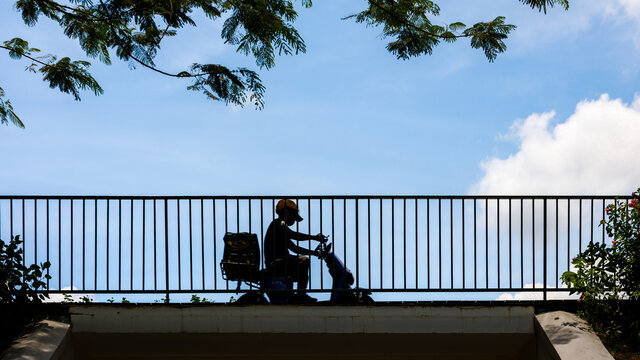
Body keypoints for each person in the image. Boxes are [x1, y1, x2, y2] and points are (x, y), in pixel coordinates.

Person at [264, 199, 327, 302]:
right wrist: (314, 237)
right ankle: (301, 295)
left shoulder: (281, 229)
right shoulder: (279, 223)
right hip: (275, 263)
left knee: (302, 261)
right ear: (286, 212)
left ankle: (296, 295)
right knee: (304, 260)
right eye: (293, 216)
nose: (294, 220)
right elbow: (294, 235)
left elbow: (295, 248)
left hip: (280, 262)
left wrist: (315, 253)